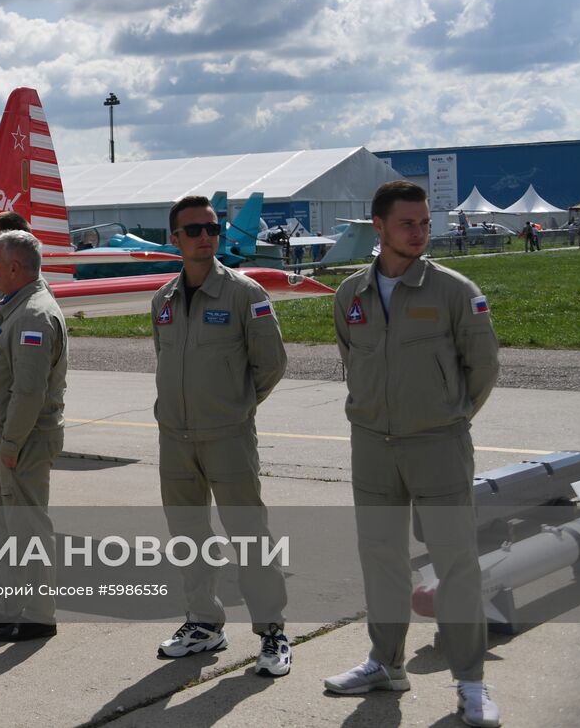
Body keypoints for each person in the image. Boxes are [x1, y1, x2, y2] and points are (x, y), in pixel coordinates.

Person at [324, 181, 501, 728]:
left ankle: (471, 682)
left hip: (438, 446)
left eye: (424, 222)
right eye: (408, 223)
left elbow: (484, 367)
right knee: (381, 559)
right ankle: (385, 662)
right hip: (372, 447)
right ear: (378, 227)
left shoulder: (453, 291)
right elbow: (351, 357)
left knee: (456, 565)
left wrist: (448, 420)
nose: (420, 232)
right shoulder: (350, 295)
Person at [150, 195, 292, 676]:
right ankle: (204, 623)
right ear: (175, 239)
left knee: (249, 535)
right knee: (187, 535)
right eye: (193, 230)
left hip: (227, 436)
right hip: (175, 438)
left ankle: (272, 631)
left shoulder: (244, 294)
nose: (205, 237)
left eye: (212, 228)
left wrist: (235, 408)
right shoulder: (163, 300)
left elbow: (271, 364)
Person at [0, 230, 67, 642]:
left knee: (27, 527)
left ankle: (40, 613)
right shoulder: (14, 307)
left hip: (23, 442)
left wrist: (10, 445)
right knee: (3, 523)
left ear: (14, 267)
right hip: (7, 441)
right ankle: (10, 602)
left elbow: (29, 391)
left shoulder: (33, 316)